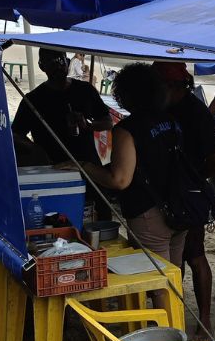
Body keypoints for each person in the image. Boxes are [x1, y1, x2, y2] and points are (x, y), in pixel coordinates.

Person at [72, 63, 189, 273]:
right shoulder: (172, 121)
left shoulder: (127, 129)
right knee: (174, 272)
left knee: (158, 279)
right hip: (180, 206)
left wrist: (85, 166)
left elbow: (120, 179)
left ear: (125, 95)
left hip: (148, 213)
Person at [154, 62, 215, 339]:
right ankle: (174, 312)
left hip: (188, 197)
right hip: (165, 194)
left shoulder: (196, 113)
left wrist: (193, 180)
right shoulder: (161, 108)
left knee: (195, 255)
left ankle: (205, 320)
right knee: (174, 258)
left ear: (174, 85)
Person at [12, 48, 113, 219]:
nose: (58, 66)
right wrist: (36, 150)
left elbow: (107, 122)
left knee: (99, 216)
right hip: (53, 169)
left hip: (88, 167)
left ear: (67, 62)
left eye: (61, 60)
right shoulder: (33, 99)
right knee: (60, 218)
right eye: (51, 62)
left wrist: (88, 125)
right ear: (41, 66)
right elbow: (15, 134)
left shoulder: (85, 90)